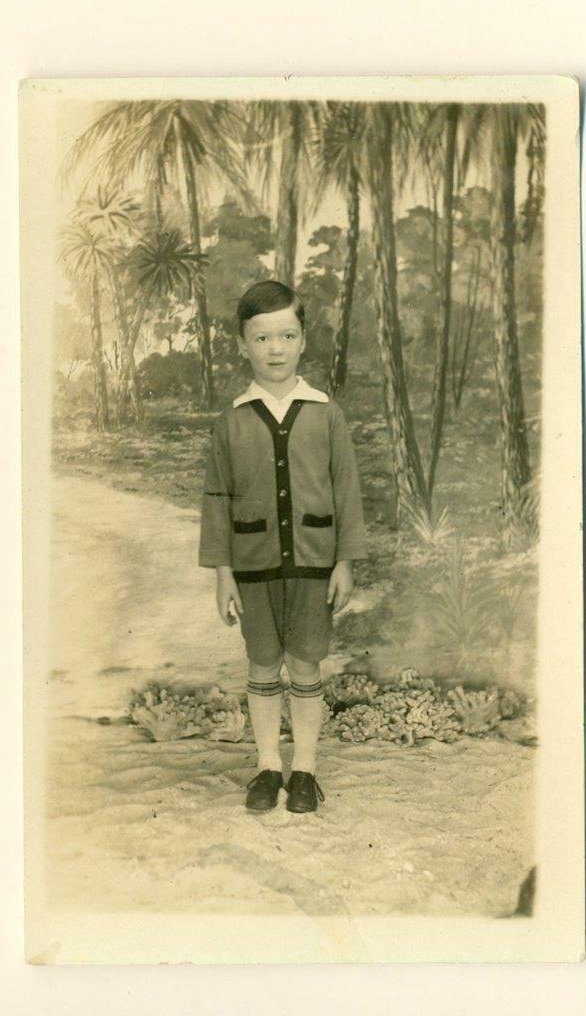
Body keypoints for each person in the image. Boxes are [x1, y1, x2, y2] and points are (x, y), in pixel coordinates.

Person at [198, 280, 367, 814]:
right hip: (253, 566)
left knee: (306, 664)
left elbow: (346, 490)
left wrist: (344, 561)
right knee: (264, 665)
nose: (275, 348)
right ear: (243, 344)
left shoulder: (325, 413)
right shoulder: (231, 422)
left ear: (302, 341)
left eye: (286, 335)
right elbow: (217, 498)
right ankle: (268, 765)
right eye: (262, 337)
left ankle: (305, 770)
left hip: (315, 564)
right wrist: (223, 571)